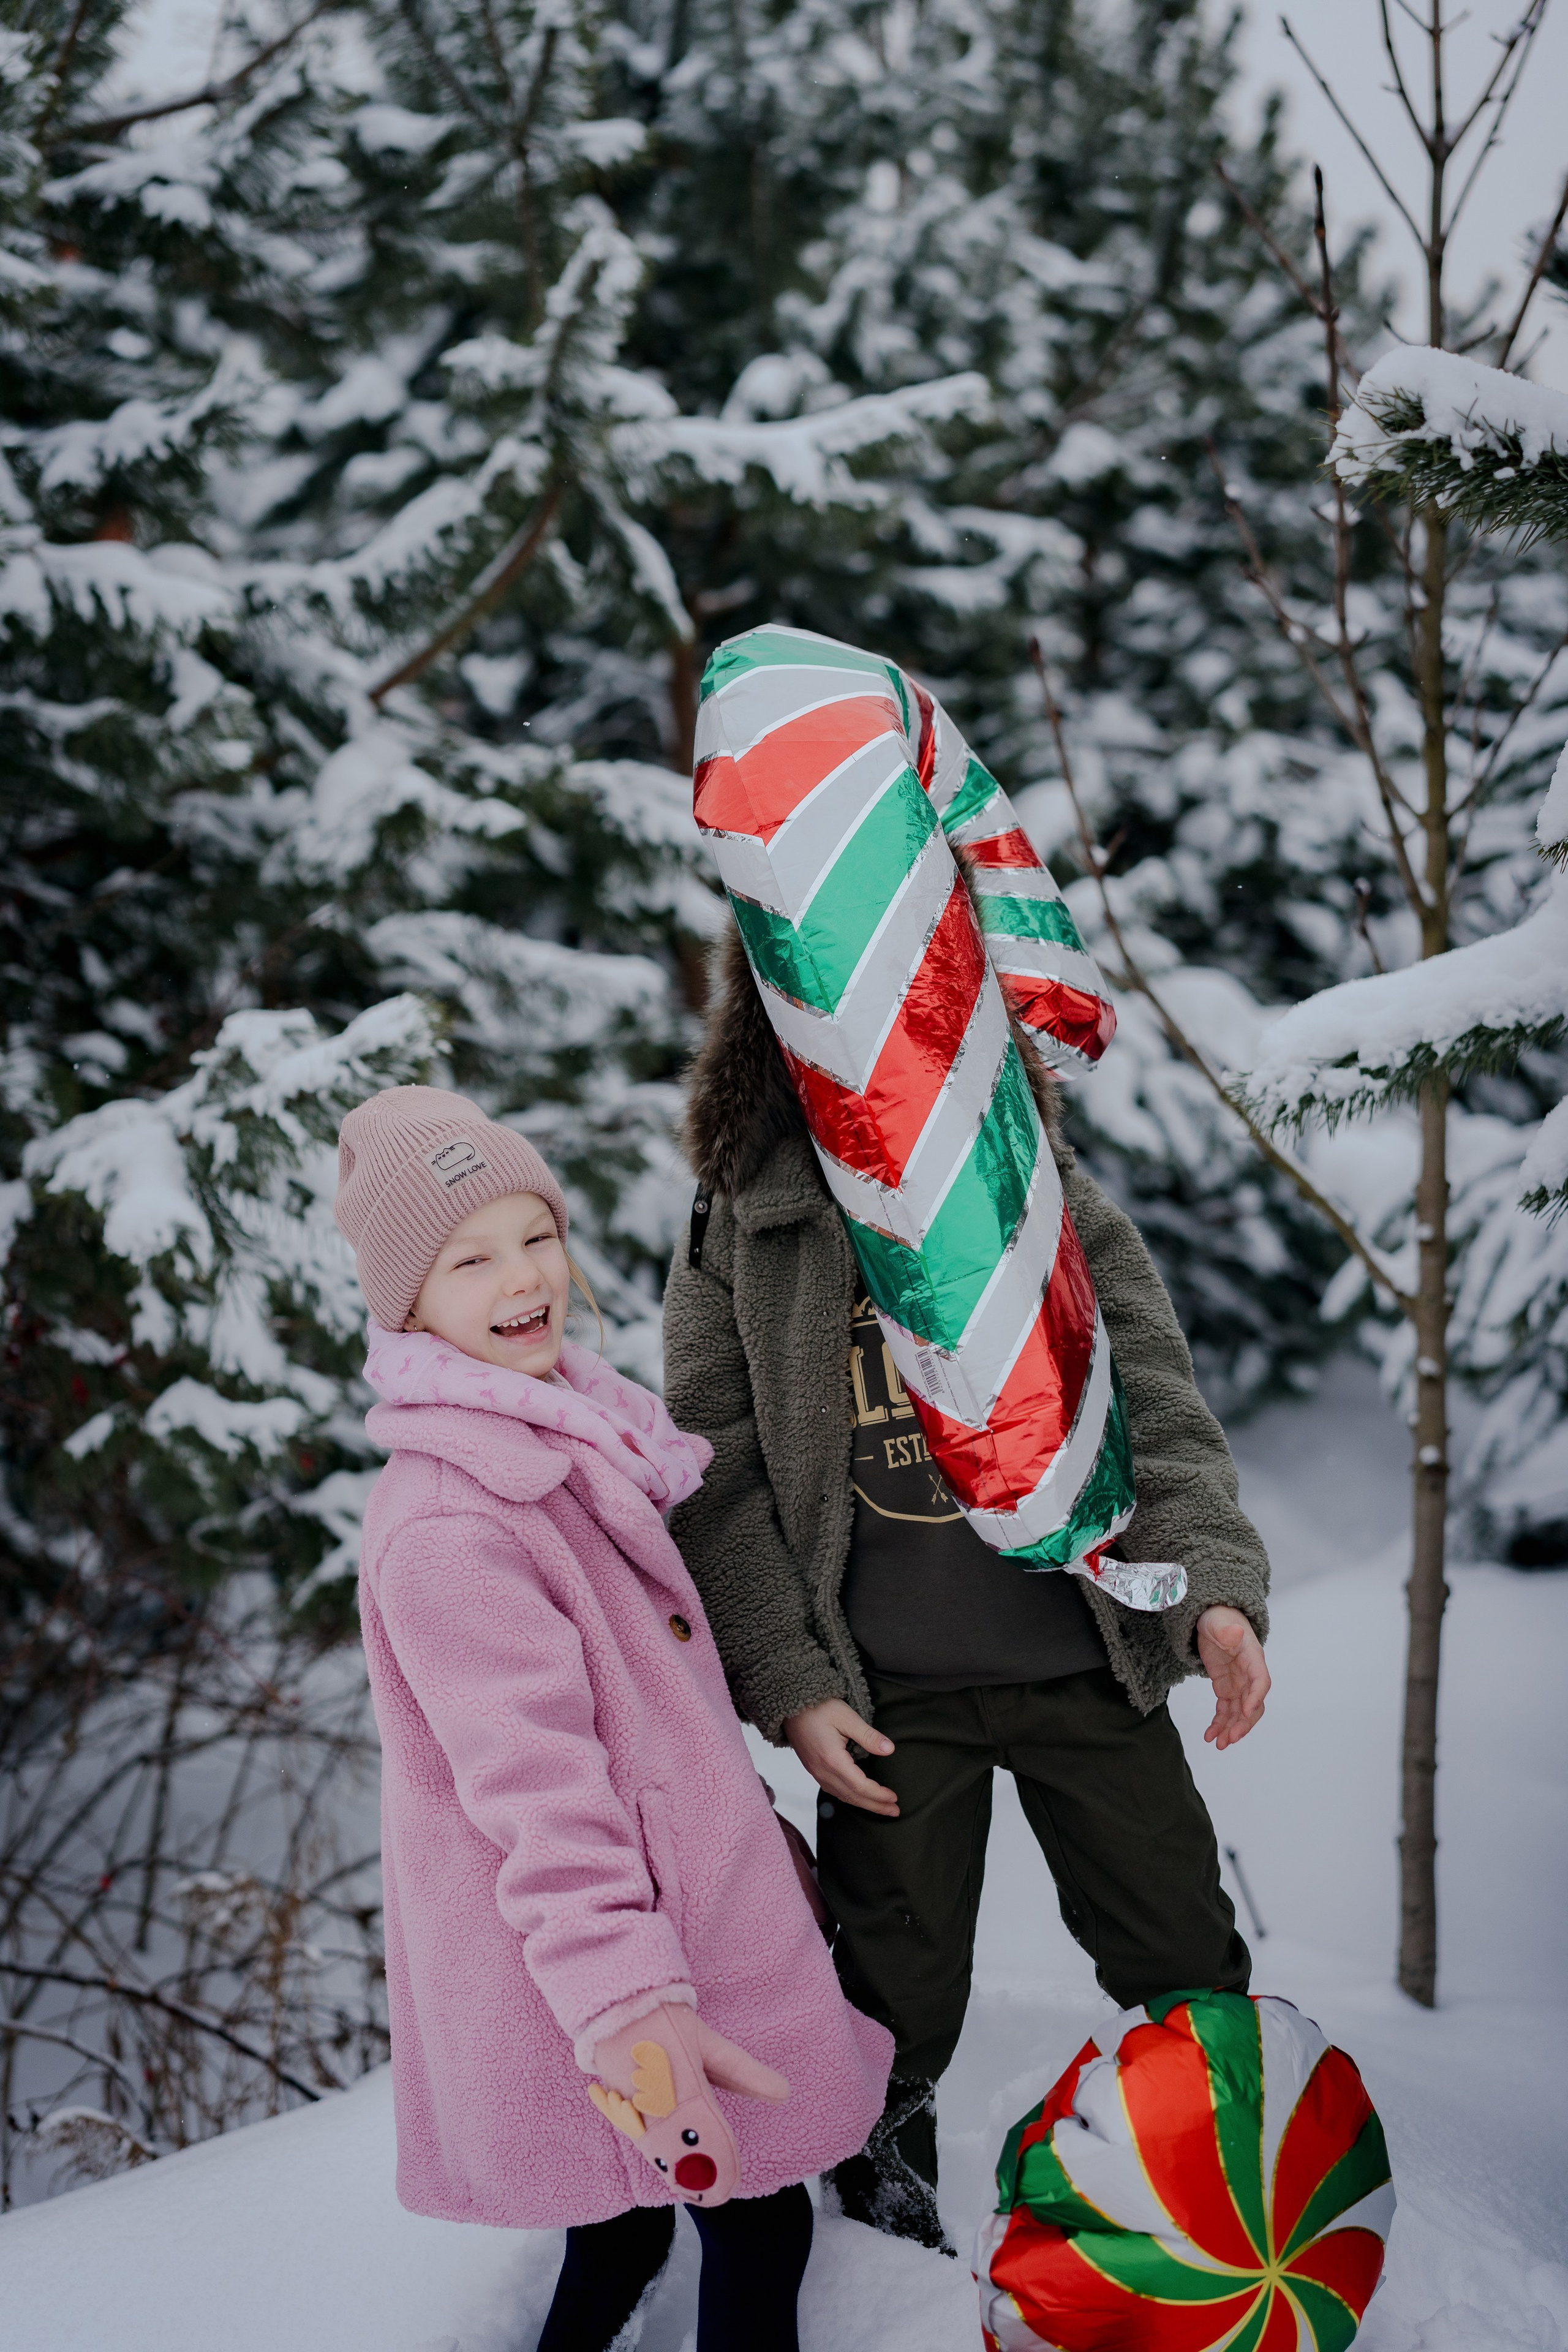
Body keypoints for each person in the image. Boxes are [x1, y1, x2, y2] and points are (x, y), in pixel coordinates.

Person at [663, 919, 1272, 2253]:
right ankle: (884, 2244)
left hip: (1084, 1666)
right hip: (885, 1708)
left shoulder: (1031, 1176)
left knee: (1179, 1946)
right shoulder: (745, 1222)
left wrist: (1211, 1594)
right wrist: (793, 1685)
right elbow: (716, 1481)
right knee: (892, 1997)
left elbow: (1156, 1406)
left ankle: (1226, 2196)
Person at [333, 1085, 891, 2352]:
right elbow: (539, 1801)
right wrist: (629, 2006)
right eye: (469, 1259)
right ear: (407, 1303)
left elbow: (650, 1714)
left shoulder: (573, 1438)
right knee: (754, 2220)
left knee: (630, 2224)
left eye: (535, 1236)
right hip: (612, 1959)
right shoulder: (455, 1525)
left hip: (675, 1908)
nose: (522, 1278)